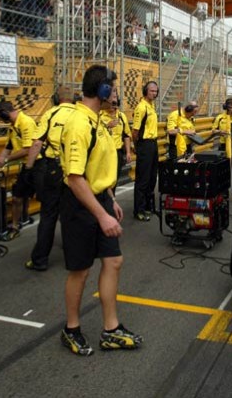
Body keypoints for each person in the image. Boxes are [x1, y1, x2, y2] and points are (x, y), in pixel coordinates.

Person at [59, 65, 143, 356]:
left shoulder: (99, 121)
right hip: (81, 205)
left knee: (113, 261)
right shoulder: (79, 124)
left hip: (101, 201)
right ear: (103, 91)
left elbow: (97, 168)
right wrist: (101, 214)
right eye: (114, 89)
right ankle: (71, 329)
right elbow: (74, 178)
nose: (117, 95)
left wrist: (111, 200)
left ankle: (111, 329)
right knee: (80, 271)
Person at [23, 85, 77, 271]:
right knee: (70, 213)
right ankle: (74, 255)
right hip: (75, 169)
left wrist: (28, 168)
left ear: (56, 98)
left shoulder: (51, 114)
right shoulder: (79, 114)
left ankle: (40, 259)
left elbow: (37, 142)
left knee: (48, 214)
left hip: (54, 168)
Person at [0, 101, 37, 241]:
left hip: (39, 165)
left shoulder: (26, 122)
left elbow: (28, 149)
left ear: (4, 113)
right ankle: (15, 227)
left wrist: (6, 160)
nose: (0, 120)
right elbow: (7, 150)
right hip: (26, 167)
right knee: (17, 197)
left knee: (48, 200)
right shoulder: (13, 127)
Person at [132, 81, 159, 221]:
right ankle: (139, 210)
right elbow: (135, 131)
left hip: (153, 143)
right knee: (143, 179)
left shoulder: (151, 106)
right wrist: (138, 146)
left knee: (152, 177)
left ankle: (149, 206)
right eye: (151, 91)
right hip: (145, 144)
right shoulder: (141, 107)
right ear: (145, 91)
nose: (154, 93)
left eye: (155, 91)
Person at [101, 97, 133, 191]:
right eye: (110, 104)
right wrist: (107, 126)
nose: (112, 107)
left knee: (114, 179)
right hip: (104, 152)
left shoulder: (121, 116)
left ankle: (112, 199)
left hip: (117, 152)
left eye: (114, 104)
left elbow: (126, 135)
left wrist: (128, 152)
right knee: (104, 180)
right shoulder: (99, 115)